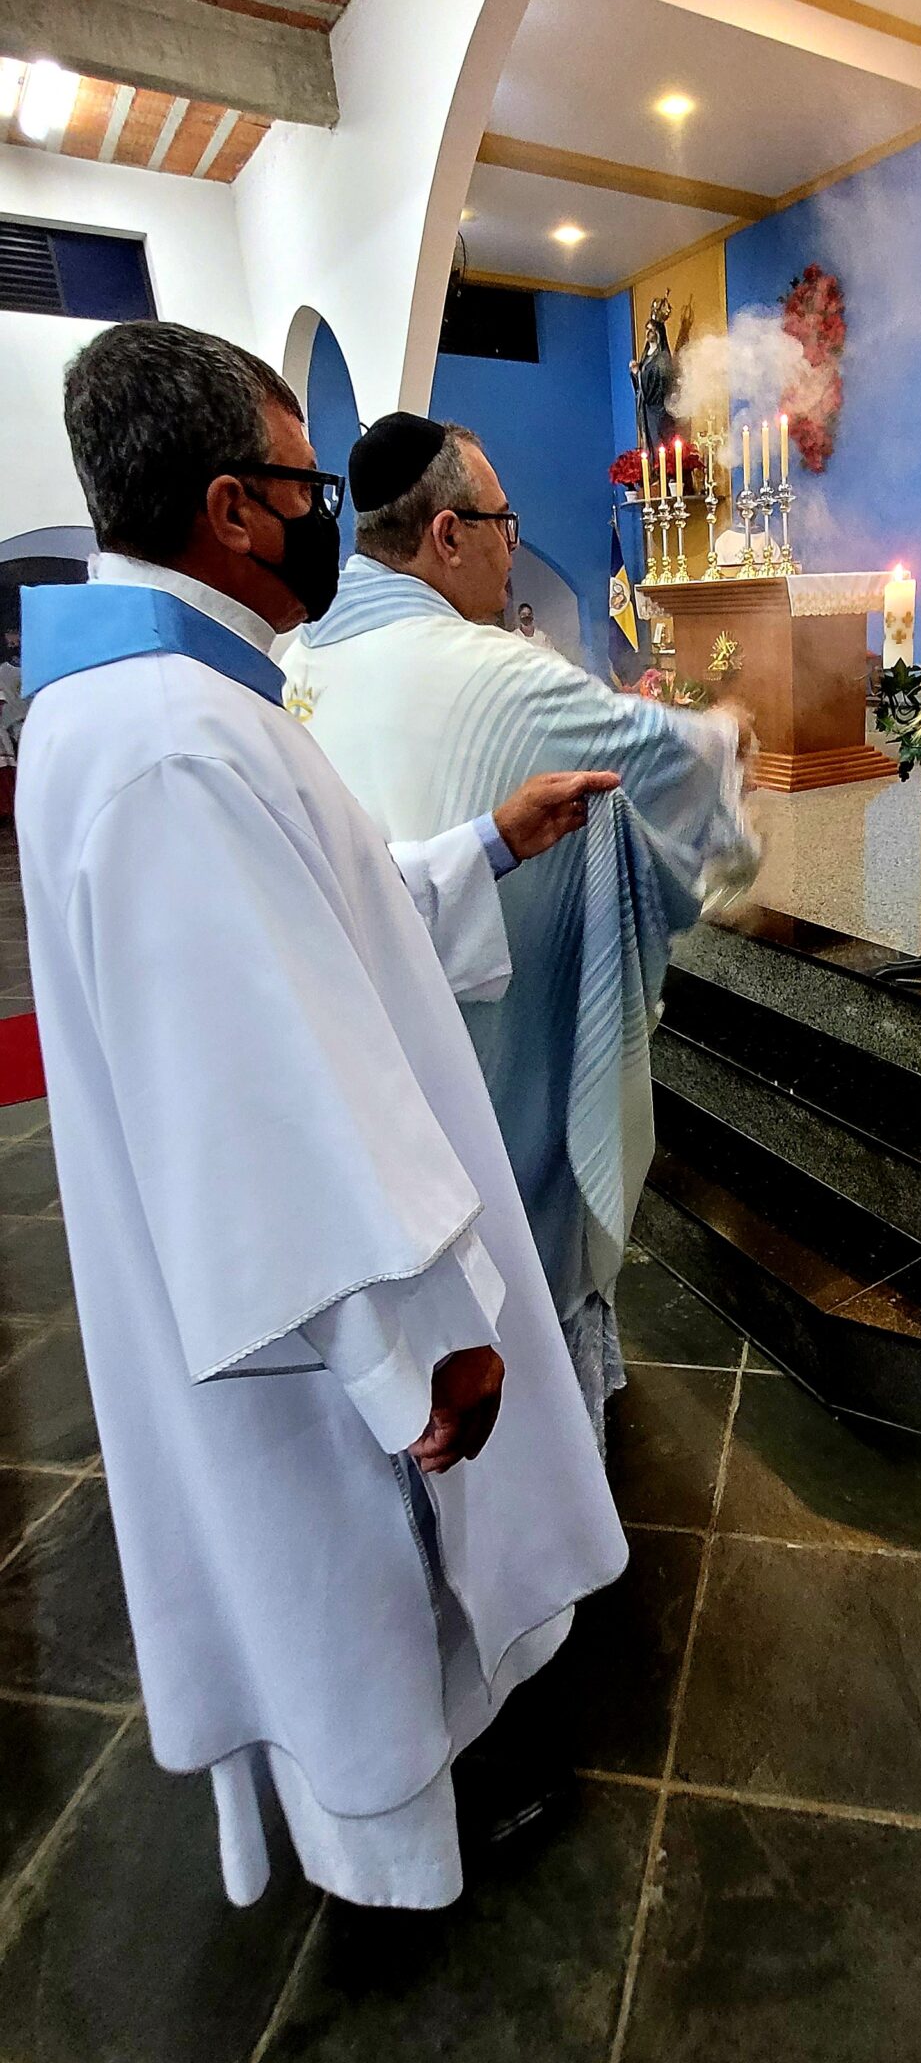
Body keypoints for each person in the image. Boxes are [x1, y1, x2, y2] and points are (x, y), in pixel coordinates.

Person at [16, 321, 629, 1910]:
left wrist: (489, 843)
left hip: (287, 1285)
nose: (326, 518)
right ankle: (405, 1836)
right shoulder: (171, 745)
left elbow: (330, 923)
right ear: (232, 508)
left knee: (355, 1581)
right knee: (357, 1575)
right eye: (304, 484)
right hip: (313, 1317)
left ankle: (413, 1785)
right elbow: (260, 1104)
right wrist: (417, 1345)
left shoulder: (168, 707)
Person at [281, 414, 756, 1441]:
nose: (513, 542)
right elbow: (672, 759)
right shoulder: (496, 671)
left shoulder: (290, 659)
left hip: (340, 1072)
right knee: (503, 1255)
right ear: (447, 533)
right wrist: (729, 731)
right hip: (477, 1072)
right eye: (504, 521)